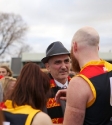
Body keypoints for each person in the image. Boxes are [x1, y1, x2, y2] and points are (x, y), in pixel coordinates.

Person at [55, 26, 112, 125]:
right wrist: (79, 98)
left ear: (75, 46)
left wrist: (77, 94)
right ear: (97, 48)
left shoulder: (79, 83)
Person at [41, 41, 71, 124]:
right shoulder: (41, 90)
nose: (64, 67)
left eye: (66, 61)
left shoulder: (80, 86)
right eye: (58, 62)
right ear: (48, 67)